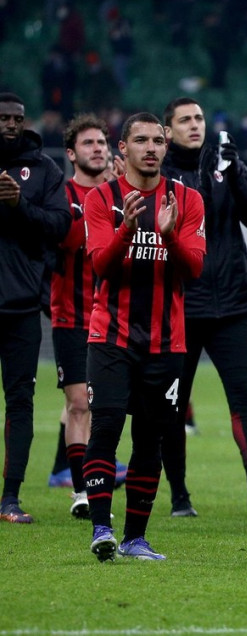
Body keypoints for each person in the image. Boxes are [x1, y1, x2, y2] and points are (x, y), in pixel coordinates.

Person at [159, 96, 247, 518]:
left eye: (199, 118)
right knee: (172, 404)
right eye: (185, 120)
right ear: (168, 131)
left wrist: (235, 171)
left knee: (244, 396)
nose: (195, 125)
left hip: (232, 303)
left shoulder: (225, 165)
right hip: (179, 305)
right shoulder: (159, 175)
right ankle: (179, 496)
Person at [82, 111, 206, 560]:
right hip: (110, 336)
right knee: (107, 427)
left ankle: (136, 537)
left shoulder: (188, 199)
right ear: (124, 149)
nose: (151, 148)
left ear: (166, 146)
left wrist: (169, 237)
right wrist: (126, 232)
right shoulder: (102, 199)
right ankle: (100, 528)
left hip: (166, 342)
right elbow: (100, 266)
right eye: (141, 140)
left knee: (150, 438)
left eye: (158, 140)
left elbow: (193, 268)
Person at [0, 92, 71, 524]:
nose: (10, 124)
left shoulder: (43, 169)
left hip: (21, 306)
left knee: (20, 401)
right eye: (3, 117)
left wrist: (17, 205)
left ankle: (10, 498)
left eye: (17, 118)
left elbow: (61, 225)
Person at [50, 114, 112, 519]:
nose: (98, 149)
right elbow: (67, 239)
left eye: (102, 143)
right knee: (78, 405)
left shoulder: (120, 195)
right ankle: (81, 491)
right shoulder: (60, 196)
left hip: (116, 317)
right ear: (72, 153)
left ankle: (96, 479)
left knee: (107, 407)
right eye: (89, 143)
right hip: (71, 315)